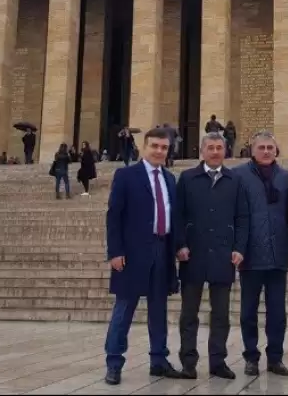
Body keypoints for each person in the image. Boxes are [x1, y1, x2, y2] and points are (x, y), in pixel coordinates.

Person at [103, 128, 182, 386]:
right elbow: (114, 215)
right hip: (132, 252)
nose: (159, 151)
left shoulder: (170, 179)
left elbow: (173, 216)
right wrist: (115, 252)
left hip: (162, 249)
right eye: (155, 146)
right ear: (144, 147)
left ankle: (158, 359)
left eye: (164, 147)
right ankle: (114, 362)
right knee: (124, 308)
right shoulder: (126, 175)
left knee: (158, 308)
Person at [175, 132, 249, 380]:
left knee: (220, 314)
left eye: (219, 148)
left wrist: (239, 248)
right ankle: (188, 362)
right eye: (211, 148)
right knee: (189, 314)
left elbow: (242, 218)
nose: (216, 152)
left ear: (225, 151)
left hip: (222, 255)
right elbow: (178, 216)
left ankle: (218, 362)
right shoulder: (187, 178)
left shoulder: (234, 180)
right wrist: (180, 244)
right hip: (193, 255)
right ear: (202, 151)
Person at [232, 131, 288, 377]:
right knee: (248, 310)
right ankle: (251, 356)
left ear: (276, 150)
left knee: (277, 311)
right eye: (261, 147)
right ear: (252, 150)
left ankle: (275, 358)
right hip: (250, 254)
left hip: (278, 252)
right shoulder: (239, 175)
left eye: (270, 147)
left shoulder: (286, 177)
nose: (266, 151)